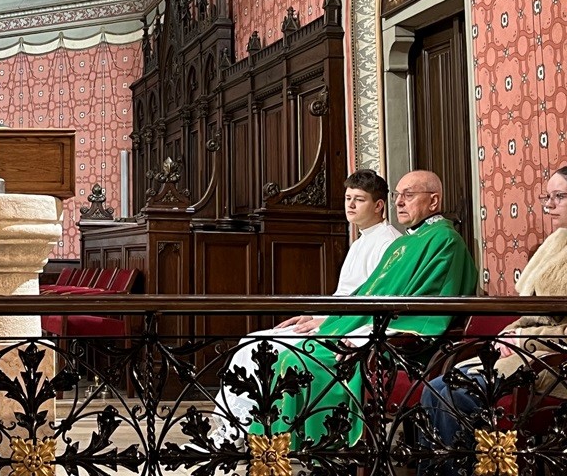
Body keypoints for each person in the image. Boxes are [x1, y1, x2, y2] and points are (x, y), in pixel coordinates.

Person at [255, 170, 477, 449]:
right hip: (370, 334)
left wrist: (366, 334)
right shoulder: (407, 241)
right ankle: (285, 451)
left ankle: (326, 450)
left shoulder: (444, 241)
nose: (399, 202)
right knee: (287, 357)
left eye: (408, 195)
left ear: (433, 201)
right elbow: (368, 294)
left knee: (299, 363)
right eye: (397, 195)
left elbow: (427, 309)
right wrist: (331, 322)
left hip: (398, 348)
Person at [212, 169, 402, 445]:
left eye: (359, 199)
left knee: (263, 349)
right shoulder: (361, 240)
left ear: (379, 205)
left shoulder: (388, 243)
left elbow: (373, 302)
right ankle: (237, 427)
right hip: (336, 321)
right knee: (251, 342)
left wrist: (325, 321)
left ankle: (243, 433)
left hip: (350, 330)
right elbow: (344, 296)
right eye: (348, 198)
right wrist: (314, 315)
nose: (350, 205)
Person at [419, 166, 567, 476]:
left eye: (560, 196)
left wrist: (524, 340)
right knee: (435, 387)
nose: (550, 205)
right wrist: (507, 336)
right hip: (527, 354)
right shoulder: (554, 243)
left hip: (554, 364)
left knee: (455, 395)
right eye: (547, 197)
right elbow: (529, 312)